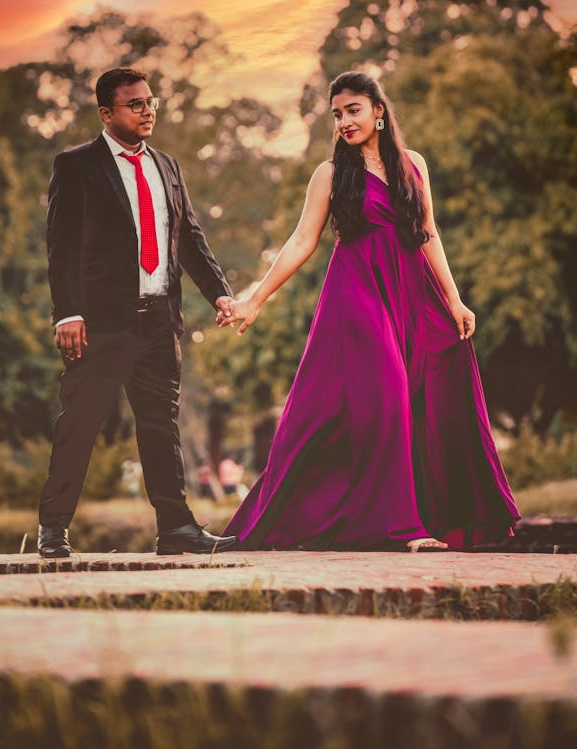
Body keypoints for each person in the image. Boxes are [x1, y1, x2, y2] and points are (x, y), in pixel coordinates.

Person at [221, 71, 519, 551]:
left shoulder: (413, 164)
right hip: (357, 294)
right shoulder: (331, 174)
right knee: (391, 393)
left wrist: (454, 298)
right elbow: (302, 240)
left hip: (412, 292)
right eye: (337, 114)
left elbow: (428, 234)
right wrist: (255, 299)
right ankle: (404, 529)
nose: (344, 121)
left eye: (353, 110)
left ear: (379, 111)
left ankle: (421, 514)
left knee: (434, 386)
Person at [37, 67, 237, 558]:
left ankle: (176, 529)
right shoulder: (77, 165)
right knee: (80, 423)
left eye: (151, 102)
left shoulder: (167, 166)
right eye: (135, 104)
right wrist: (68, 314)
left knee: (160, 426)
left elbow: (189, 238)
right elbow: (61, 248)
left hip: (159, 321)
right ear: (107, 113)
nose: (147, 111)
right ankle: (53, 528)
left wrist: (220, 294)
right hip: (100, 325)